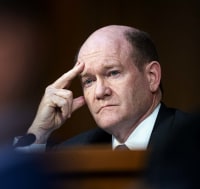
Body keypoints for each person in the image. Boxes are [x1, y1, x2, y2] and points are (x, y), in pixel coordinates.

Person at [16, 25, 191, 151]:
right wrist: (39, 131)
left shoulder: (192, 140)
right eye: (89, 81)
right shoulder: (74, 152)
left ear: (152, 77)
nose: (100, 92)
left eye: (113, 73)